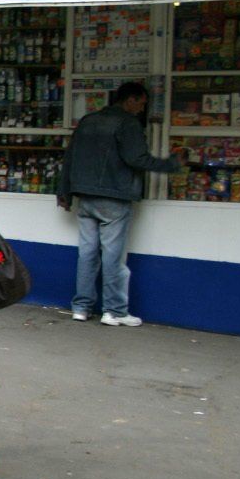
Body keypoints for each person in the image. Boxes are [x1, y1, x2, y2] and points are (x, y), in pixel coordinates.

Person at [57, 81, 182, 326]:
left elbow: (70, 157)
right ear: (130, 100)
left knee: (87, 255)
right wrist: (171, 164)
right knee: (113, 258)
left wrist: (64, 192)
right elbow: (137, 158)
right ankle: (114, 311)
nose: (142, 109)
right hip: (114, 197)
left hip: (85, 197)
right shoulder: (128, 123)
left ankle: (81, 307)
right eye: (141, 104)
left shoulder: (88, 121)